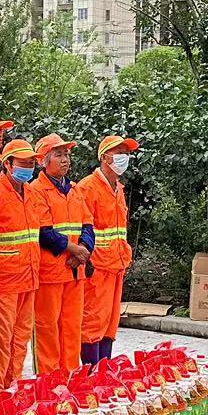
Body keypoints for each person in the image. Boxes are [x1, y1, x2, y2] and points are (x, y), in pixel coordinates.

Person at [28, 133, 94, 374]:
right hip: (51, 272)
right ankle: (49, 380)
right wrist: (73, 249)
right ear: (43, 161)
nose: (65, 159)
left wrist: (84, 251)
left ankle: (71, 376)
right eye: (59, 154)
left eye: (67, 154)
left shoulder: (74, 189)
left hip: (74, 271)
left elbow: (88, 224)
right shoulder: (36, 190)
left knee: (71, 327)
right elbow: (43, 232)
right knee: (47, 328)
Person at [0, 138, 40, 387]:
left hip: (28, 276)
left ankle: (12, 381)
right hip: (4, 279)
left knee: (21, 335)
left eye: (31, 163)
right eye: (23, 163)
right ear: (7, 164)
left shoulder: (30, 193)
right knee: (0, 338)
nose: (28, 167)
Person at [77, 135, 136, 363]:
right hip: (97, 266)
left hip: (116, 265)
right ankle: (92, 372)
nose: (124, 158)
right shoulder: (87, 188)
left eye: (127, 153)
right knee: (93, 319)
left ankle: (105, 370)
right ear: (104, 157)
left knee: (111, 322)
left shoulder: (118, 189)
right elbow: (82, 229)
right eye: (119, 152)